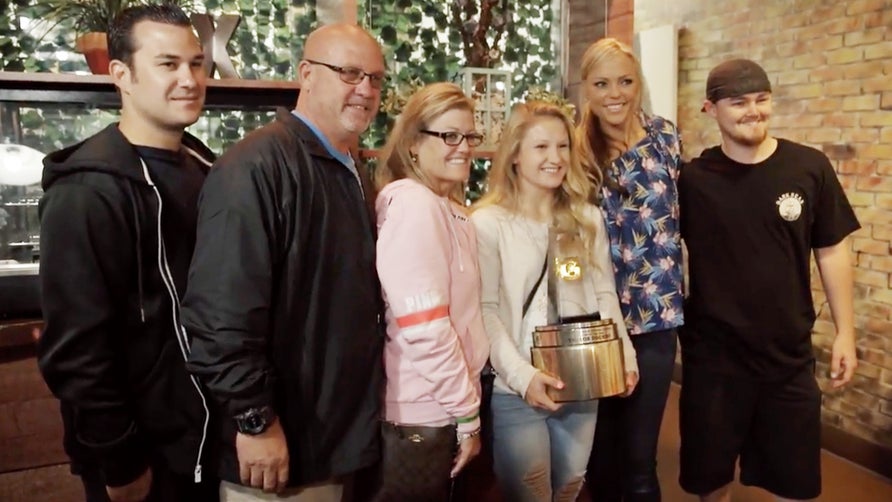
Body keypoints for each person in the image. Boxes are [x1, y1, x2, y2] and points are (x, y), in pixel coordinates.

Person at [181, 23, 385, 501]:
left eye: (376, 79)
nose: (366, 90)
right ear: (306, 74)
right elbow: (219, 316)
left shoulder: (351, 170)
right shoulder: (255, 166)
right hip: (279, 449)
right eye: (350, 73)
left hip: (335, 441)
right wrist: (255, 419)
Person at [37, 4, 217, 502]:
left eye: (196, 63)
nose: (189, 79)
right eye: (168, 64)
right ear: (122, 75)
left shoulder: (204, 167)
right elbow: (76, 351)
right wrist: (120, 462)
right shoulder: (87, 194)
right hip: (142, 457)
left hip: (205, 439)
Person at [678, 58, 860, 502]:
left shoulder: (808, 168)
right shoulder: (693, 180)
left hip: (788, 361)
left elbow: (832, 250)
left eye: (761, 100)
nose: (753, 111)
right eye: (738, 102)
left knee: (794, 484)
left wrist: (846, 332)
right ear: (711, 109)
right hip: (713, 362)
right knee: (711, 482)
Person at [471, 100, 639, 502]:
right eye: (541, 147)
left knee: (568, 486)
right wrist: (523, 378)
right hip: (518, 387)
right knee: (529, 491)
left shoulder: (585, 218)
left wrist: (624, 358)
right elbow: (485, 312)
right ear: (515, 156)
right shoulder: (487, 223)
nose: (555, 158)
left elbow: (602, 294)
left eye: (563, 146)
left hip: (582, 380)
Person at [576, 37, 684, 502]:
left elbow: (683, 217)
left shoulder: (665, 136)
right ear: (586, 88)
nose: (614, 93)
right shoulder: (577, 150)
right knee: (600, 455)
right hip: (600, 320)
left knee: (641, 458)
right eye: (602, 83)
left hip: (658, 315)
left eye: (624, 80)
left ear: (637, 82)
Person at [371, 82, 489, 501]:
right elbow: (425, 326)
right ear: (414, 144)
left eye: (469, 136)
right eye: (449, 136)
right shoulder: (414, 205)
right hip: (426, 412)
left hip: (447, 404)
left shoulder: (447, 209)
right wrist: (467, 413)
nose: (464, 147)